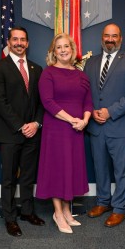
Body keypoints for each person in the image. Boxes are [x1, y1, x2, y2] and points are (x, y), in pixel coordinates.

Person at [84, 23, 125, 227]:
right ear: (102, 37)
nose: (110, 39)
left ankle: (119, 208)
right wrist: (91, 111)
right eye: (107, 36)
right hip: (96, 126)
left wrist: (110, 111)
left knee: (122, 170)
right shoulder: (90, 63)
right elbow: (86, 93)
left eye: (115, 36)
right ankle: (103, 202)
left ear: (121, 39)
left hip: (121, 126)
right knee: (100, 168)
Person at [0, 26, 45, 237]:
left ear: (28, 43)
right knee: (9, 178)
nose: (19, 43)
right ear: (9, 42)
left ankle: (28, 212)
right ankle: (10, 218)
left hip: (33, 133)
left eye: (23, 39)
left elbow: (41, 103)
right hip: (10, 132)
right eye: (15, 39)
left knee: (28, 177)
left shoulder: (36, 69)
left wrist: (36, 124)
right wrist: (21, 125)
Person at [35, 33, 93, 234]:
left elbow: (88, 102)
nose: (63, 50)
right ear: (53, 52)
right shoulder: (48, 73)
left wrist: (84, 121)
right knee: (57, 169)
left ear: (72, 49)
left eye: (66, 46)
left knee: (71, 168)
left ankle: (68, 210)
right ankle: (58, 212)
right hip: (57, 128)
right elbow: (48, 102)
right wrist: (72, 120)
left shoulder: (81, 75)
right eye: (58, 47)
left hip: (77, 129)